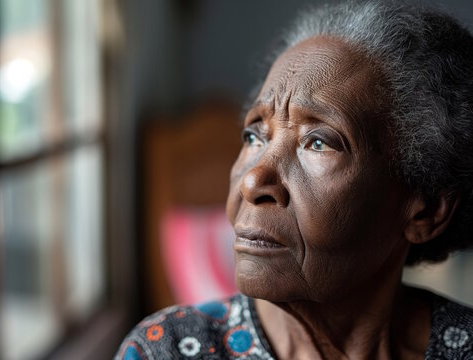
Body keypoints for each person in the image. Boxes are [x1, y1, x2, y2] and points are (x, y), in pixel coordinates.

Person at [116, 1, 473, 359]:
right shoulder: (166, 350)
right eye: (254, 136)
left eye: (318, 142)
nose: (253, 181)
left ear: (426, 210)